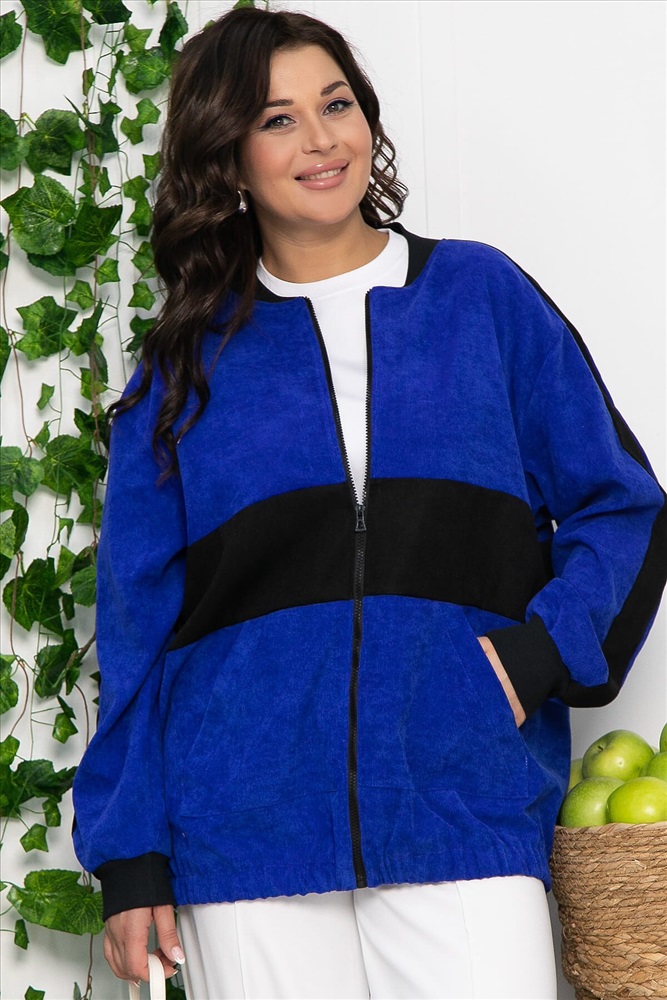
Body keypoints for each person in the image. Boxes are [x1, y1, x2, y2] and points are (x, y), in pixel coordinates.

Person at [72, 7, 667, 999]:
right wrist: (131, 856)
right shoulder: (185, 367)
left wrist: (533, 658)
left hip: (459, 804)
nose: (321, 139)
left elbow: (622, 505)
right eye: (277, 119)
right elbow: (136, 623)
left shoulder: (479, 297)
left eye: (336, 104)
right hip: (244, 834)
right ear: (228, 158)